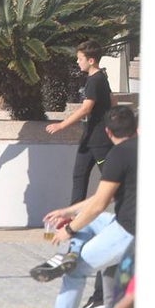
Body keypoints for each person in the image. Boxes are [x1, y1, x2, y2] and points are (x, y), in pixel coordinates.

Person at [24, 107, 141, 308]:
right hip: (138, 224)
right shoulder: (148, 149)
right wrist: (69, 212)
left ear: (108, 132)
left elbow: (99, 203)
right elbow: (103, 199)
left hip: (130, 231)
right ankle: (70, 254)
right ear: (135, 128)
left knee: (75, 271)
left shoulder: (119, 154)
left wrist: (68, 229)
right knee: (91, 223)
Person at [46, 39, 114, 203]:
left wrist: (61, 125)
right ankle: (74, 216)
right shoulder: (100, 77)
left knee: (110, 178)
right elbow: (113, 101)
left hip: (99, 139)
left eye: (80, 59)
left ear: (91, 60)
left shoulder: (95, 80)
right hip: (89, 137)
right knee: (79, 174)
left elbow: (86, 108)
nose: (77, 62)